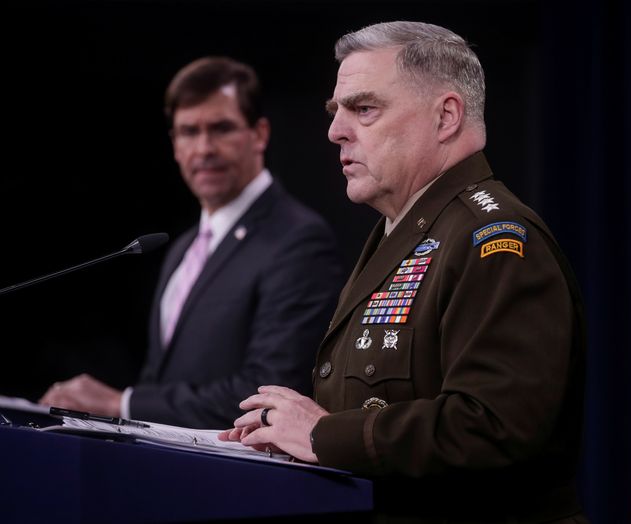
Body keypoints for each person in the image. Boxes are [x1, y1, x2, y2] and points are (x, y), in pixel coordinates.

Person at [220, 22, 587, 523]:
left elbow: (493, 426)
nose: (335, 131)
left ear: (446, 116)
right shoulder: (410, 229)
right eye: (336, 111)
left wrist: (320, 435)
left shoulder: (494, 239)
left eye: (364, 108)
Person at [40, 56, 343, 429]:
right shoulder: (182, 249)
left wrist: (123, 403)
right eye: (189, 132)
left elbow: (270, 391)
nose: (204, 149)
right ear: (174, 144)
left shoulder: (298, 239)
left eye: (221, 128)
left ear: (260, 134)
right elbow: (162, 382)